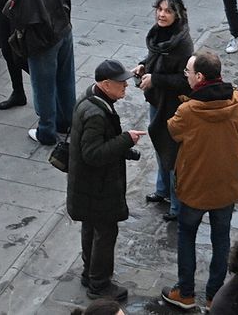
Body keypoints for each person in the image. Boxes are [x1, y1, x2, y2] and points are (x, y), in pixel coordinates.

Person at [162, 49, 238, 311]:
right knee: (221, 239)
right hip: (227, 182)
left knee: (186, 235)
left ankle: (186, 292)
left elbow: (173, 130)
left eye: (189, 73)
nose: (186, 77)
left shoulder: (187, 111)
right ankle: (214, 296)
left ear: (199, 76)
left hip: (195, 185)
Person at [66, 59, 145, 304]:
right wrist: (126, 140)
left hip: (89, 186)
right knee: (105, 231)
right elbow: (93, 154)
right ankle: (99, 284)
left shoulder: (93, 99)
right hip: (98, 187)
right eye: (121, 83)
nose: (125, 87)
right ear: (105, 84)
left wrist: (124, 148)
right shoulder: (96, 114)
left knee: (91, 227)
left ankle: (90, 273)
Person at [4, 0, 76, 147]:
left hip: (43, 42)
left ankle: (46, 130)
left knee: (43, 87)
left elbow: (20, 17)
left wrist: (9, 6)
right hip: (64, 31)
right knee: (65, 79)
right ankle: (66, 121)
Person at [132, 0, 194, 221]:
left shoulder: (183, 43)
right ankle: (162, 190)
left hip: (172, 106)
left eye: (167, 11)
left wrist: (155, 79)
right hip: (157, 101)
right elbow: (153, 58)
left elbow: (184, 80)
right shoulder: (159, 34)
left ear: (177, 15)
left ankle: (177, 206)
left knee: (173, 154)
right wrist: (142, 65)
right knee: (160, 146)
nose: (161, 14)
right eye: (159, 9)